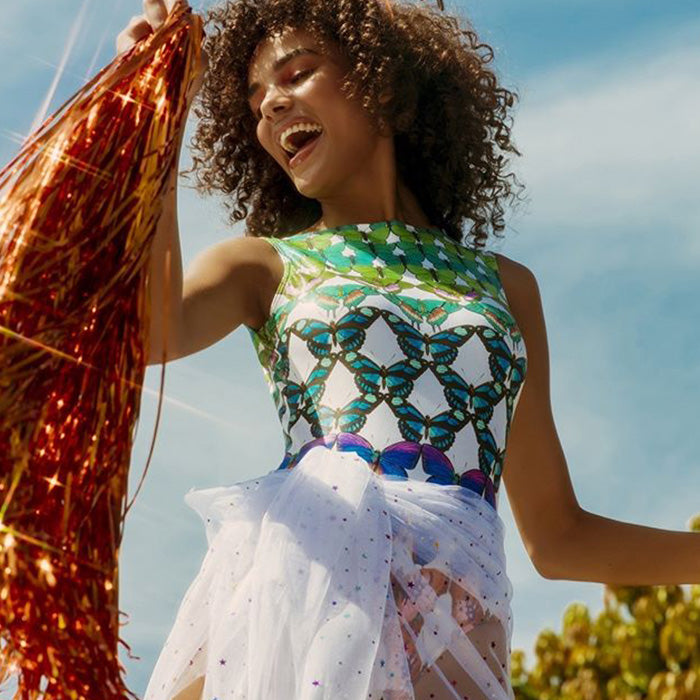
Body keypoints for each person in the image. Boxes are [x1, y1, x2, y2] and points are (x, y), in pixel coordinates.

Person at [117, 1, 700, 698]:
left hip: (455, 656)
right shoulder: (264, 267)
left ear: (381, 83)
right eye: (255, 101)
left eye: (295, 74)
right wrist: (159, 114)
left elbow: (558, 535)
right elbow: (148, 327)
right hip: (305, 624)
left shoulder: (506, 287)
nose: (271, 104)